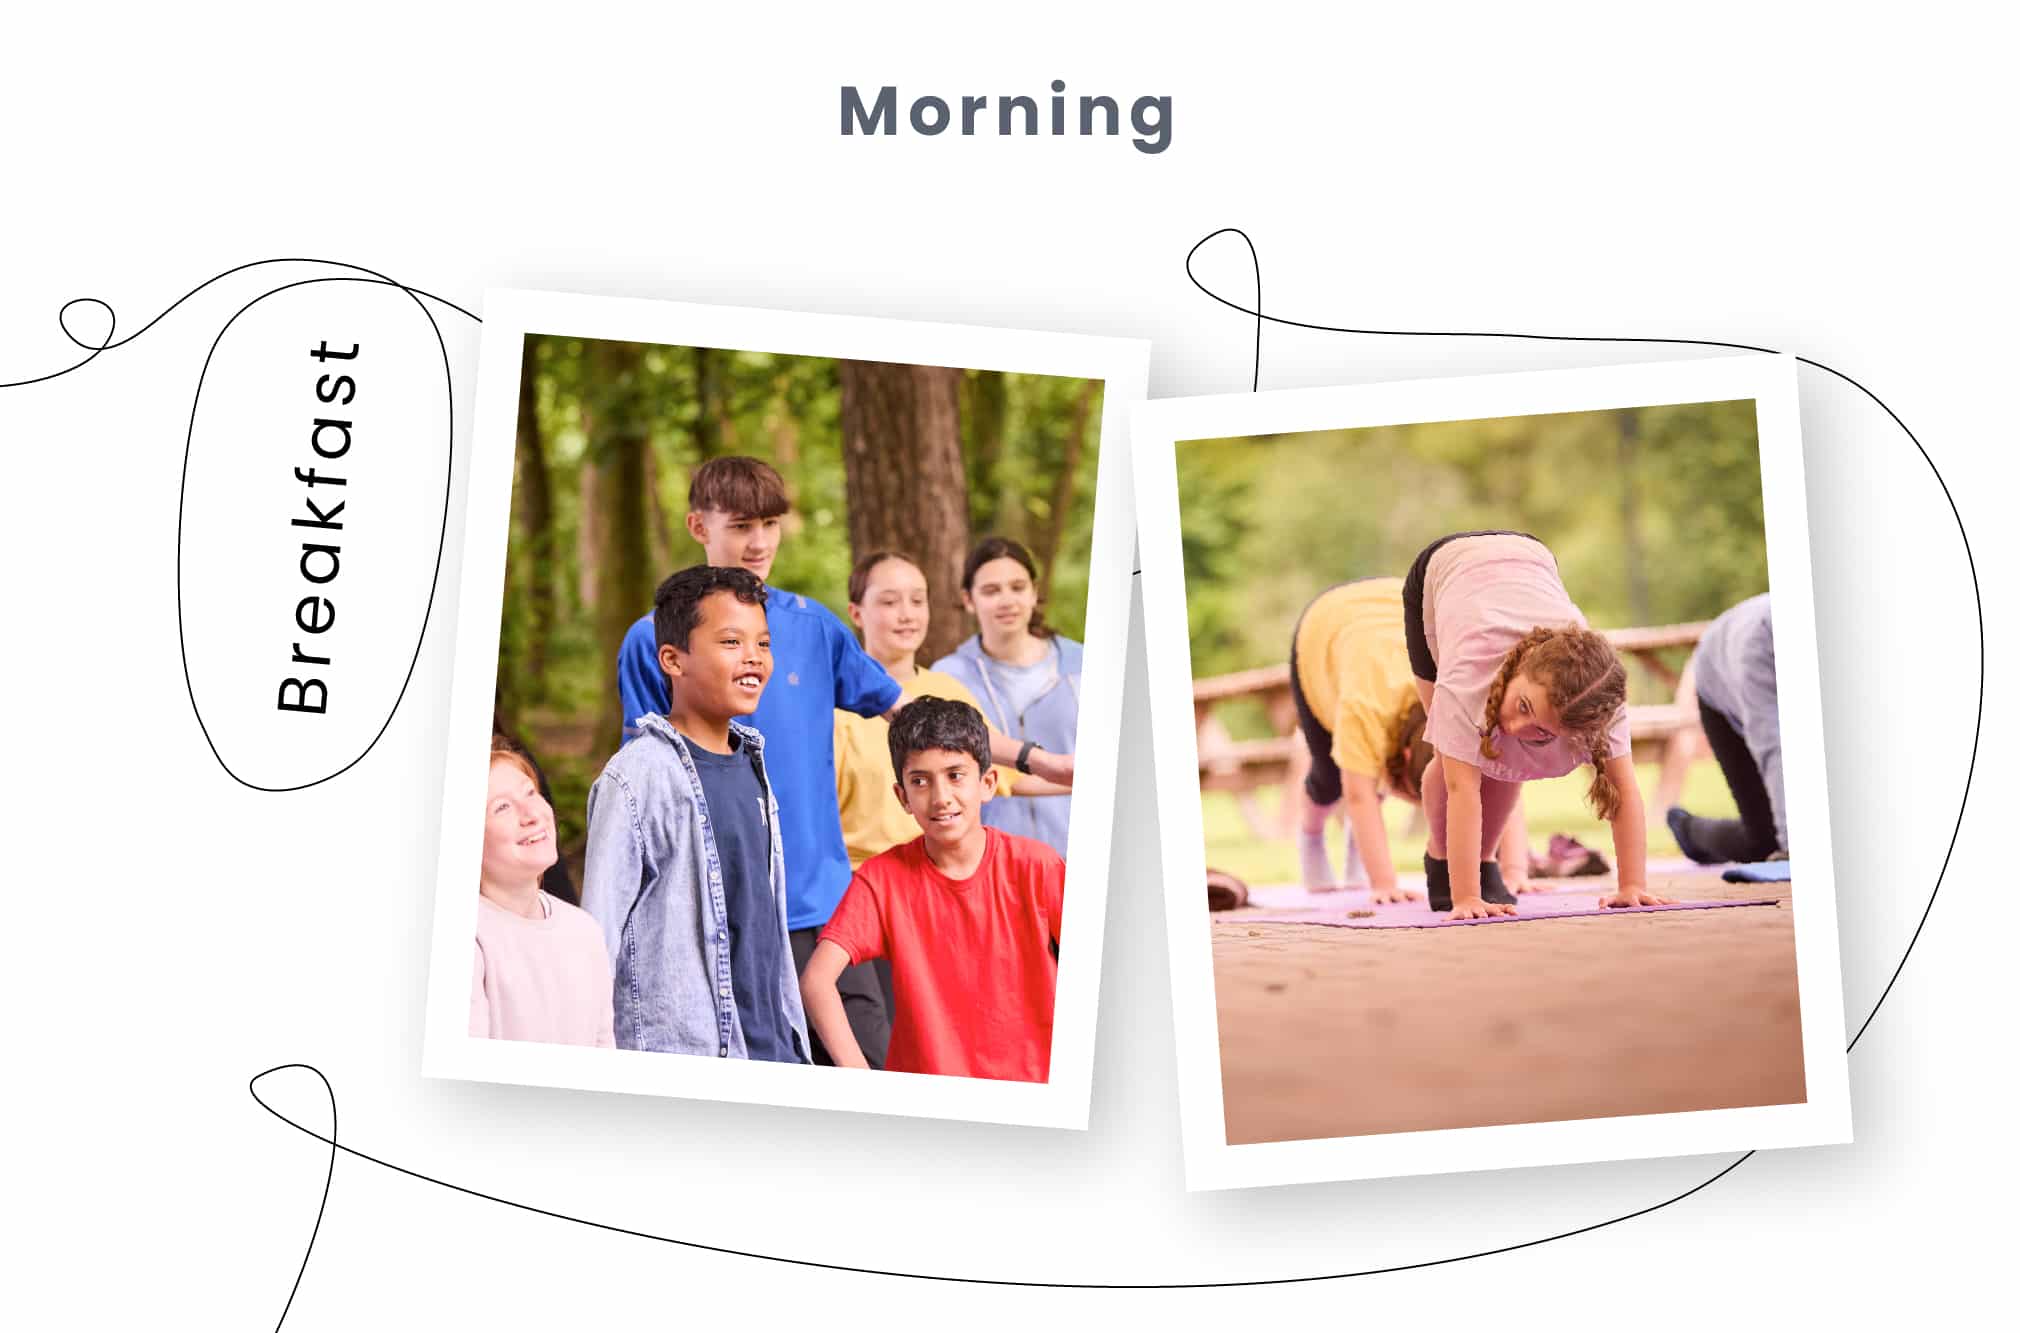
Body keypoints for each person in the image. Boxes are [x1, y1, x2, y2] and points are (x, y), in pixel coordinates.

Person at [613, 459, 1074, 1067]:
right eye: (742, 524)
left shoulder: (812, 626)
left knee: (876, 1071)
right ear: (699, 525)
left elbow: (915, 716)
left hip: (821, 906)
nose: (759, 542)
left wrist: (1042, 761)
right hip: (718, 913)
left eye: (771, 523)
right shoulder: (652, 640)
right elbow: (647, 782)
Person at [584, 565, 809, 1062]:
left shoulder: (753, 763)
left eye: (763, 644)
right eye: (731, 642)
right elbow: (597, 936)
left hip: (773, 1045)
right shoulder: (639, 775)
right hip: (691, 1052)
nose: (754, 657)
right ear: (672, 659)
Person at [1403, 530, 1667, 918]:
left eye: (1541, 731)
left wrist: (1632, 886)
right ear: (1520, 667)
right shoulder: (1467, 678)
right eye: (1523, 704)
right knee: (1451, 757)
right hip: (1442, 570)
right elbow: (1462, 789)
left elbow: (1623, 789)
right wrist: (1466, 897)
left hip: (1530, 562)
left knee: (1506, 761)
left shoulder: (1600, 700)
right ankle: (1440, 858)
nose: (1515, 724)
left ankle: (1485, 859)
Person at [801, 697, 1064, 1082]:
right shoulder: (881, 879)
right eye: (920, 781)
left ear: (987, 783)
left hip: (1036, 1089)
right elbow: (817, 981)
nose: (940, 798)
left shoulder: (1037, 865)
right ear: (903, 796)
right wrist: (858, 1080)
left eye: (955, 775)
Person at [1290, 578, 1535, 903]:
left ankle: (1357, 841)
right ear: (1406, 759)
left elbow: (1501, 781)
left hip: (1397, 609)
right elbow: (1358, 795)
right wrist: (1384, 883)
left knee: (1368, 769)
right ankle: (1311, 835)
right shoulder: (1364, 707)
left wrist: (1515, 870)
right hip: (1326, 627)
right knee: (1331, 778)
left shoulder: (1465, 707)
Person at [834, 550, 1068, 870]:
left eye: (917, 601)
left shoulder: (947, 690)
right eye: (890, 602)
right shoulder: (835, 707)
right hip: (862, 884)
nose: (907, 615)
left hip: (945, 881)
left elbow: (1009, 777)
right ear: (856, 613)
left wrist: (1108, 776)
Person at [931, 537, 1082, 859]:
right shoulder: (948, 677)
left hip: (1080, 859)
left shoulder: (1084, 666)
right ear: (968, 599)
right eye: (991, 591)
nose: (1007, 600)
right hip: (989, 867)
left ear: (1034, 593)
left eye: (1017, 587)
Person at [470, 739, 615, 1048]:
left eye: (530, 793)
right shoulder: (472, 942)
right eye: (502, 807)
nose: (531, 814)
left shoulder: (584, 930)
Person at [1667, 593, 1786, 864]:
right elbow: (1772, 745)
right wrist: (1791, 847)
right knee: (1765, 842)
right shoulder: (1755, 651)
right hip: (1717, 688)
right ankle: (1689, 830)